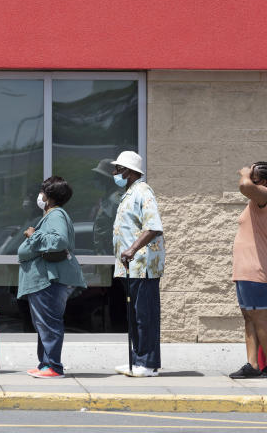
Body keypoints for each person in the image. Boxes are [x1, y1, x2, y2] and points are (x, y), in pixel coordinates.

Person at [17, 176, 87, 379]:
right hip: (44, 280)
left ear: (48, 197)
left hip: (49, 280)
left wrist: (33, 235)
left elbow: (59, 241)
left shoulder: (56, 214)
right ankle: (45, 364)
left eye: (42, 192)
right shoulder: (51, 215)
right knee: (44, 324)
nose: (39, 196)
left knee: (49, 323)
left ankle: (54, 366)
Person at [110, 150, 165, 378]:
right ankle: (137, 360)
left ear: (131, 172)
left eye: (119, 169)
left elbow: (153, 226)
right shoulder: (129, 193)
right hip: (130, 266)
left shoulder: (143, 191)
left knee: (145, 315)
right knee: (134, 316)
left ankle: (148, 363)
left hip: (143, 266)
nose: (115, 173)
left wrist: (132, 248)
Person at [229, 162, 267, 379]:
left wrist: (244, 174)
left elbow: (244, 187)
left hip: (256, 268)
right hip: (246, 269)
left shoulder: (265, 196)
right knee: (249, 317)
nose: (246, 173)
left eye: (252, 174)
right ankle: (252, 364)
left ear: (260, 182)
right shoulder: (259, 199)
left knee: (260, 317)